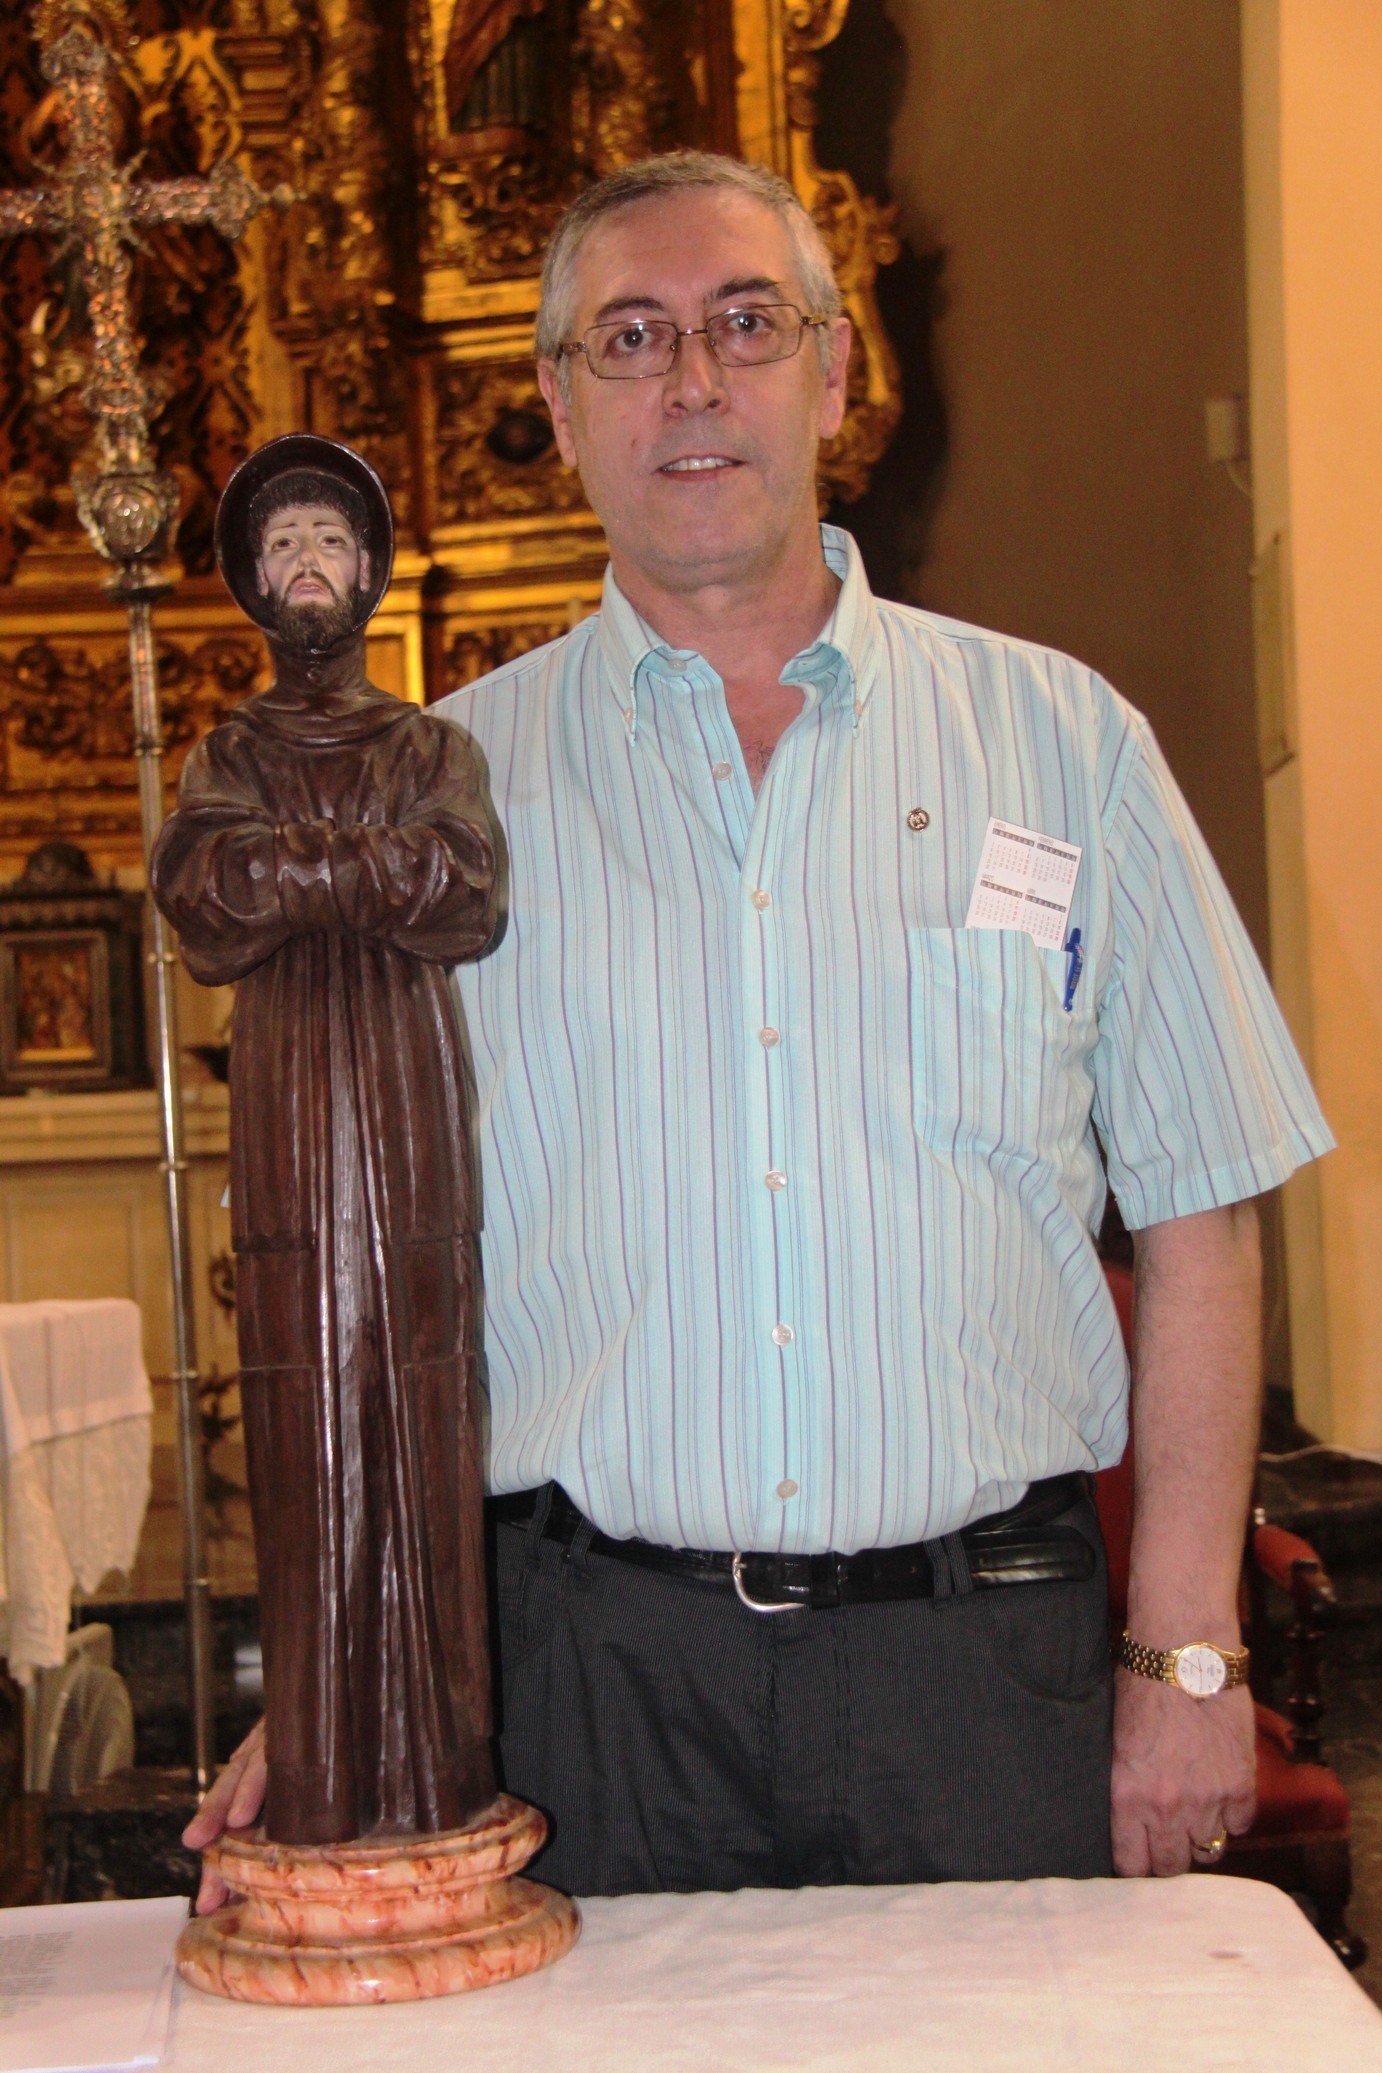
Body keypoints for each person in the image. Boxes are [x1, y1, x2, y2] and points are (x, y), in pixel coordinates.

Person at [187, 155, 1332, 1902]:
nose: (692, 382)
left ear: (834, 370)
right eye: (629, 337)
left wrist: (1185, 1653)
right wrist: (349, 1680)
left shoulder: (1063, 742)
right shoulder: (435, 799)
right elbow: (372, 1278)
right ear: (558, 403)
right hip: (583, 1687)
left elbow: (1201, 1213)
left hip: (978, 1675)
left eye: (745, 322)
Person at [155, 435, 499, 1848]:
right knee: (306, 1408)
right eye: (283, 542)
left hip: (405, 1099)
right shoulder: (226, 753)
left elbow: (462, 891)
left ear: (368, 571)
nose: (307, 562)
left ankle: (433, 1778)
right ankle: (322, 1778)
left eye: (329, 540)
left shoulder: (432, 748)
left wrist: (294, 869)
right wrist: (366, 868)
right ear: (253, 578)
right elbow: (205, 897)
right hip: (290, 1098)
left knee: (419, 1398)